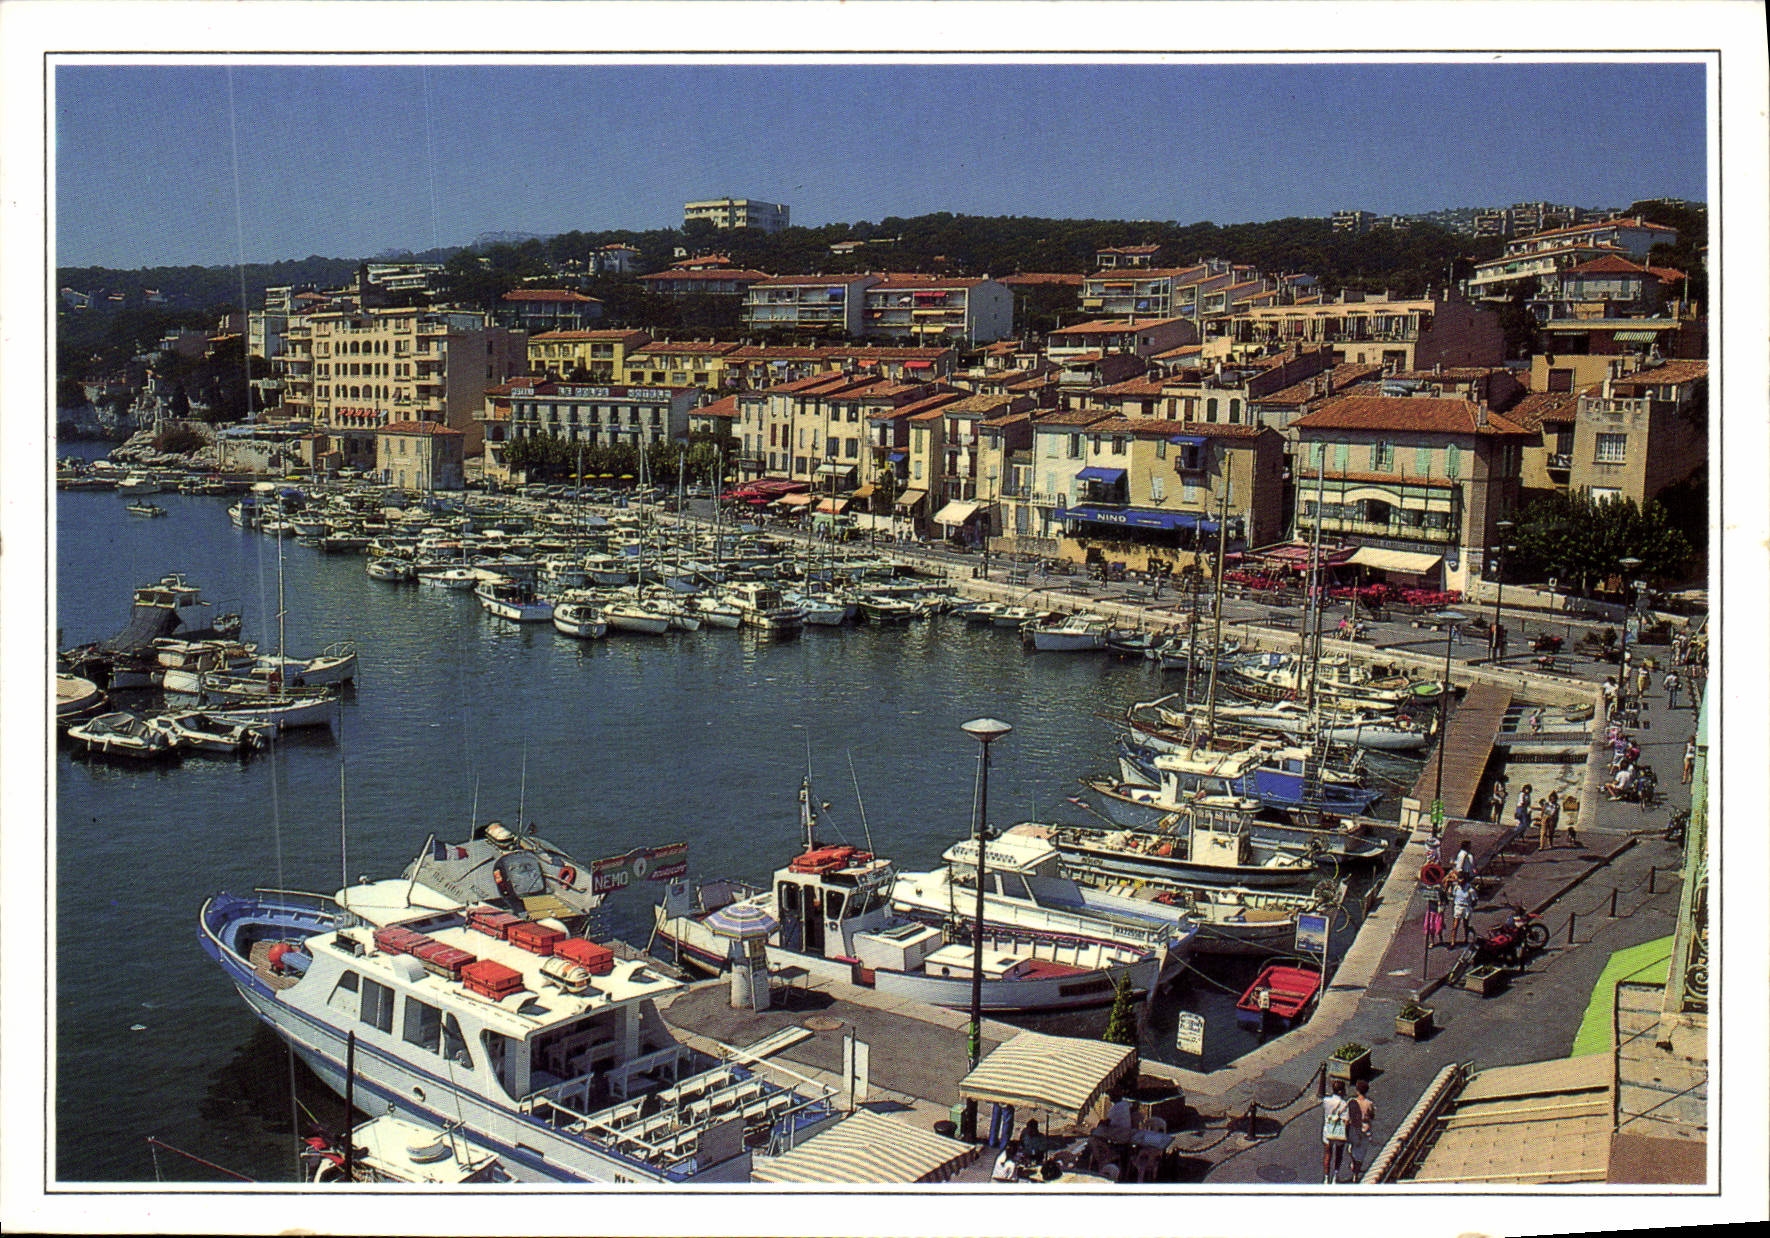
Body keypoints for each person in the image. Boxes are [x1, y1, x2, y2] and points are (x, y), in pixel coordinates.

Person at [1321, 1080, 1351, 1184]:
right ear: (1340, 1091)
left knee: (1327, 1154)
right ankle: (1335, 1176)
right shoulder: (1344, 1104)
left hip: (1328, 1130)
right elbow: (1346, 1121)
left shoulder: (1326, 1101)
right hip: (1339, 1132)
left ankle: (1326, 1178)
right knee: (1338, 1154)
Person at [1347, 1079, 1377, 1181]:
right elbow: (1372, 1116)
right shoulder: (1369, 1103)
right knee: (1361, 1153)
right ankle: (1356, 1173)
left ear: (1357, 1091)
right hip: (1364, 1130)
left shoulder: (1352, 1101)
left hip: (1354, 1129)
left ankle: (1354, 1164)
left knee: (1352, 1149)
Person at [1450, 872, 1477, 946]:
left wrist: (1471, 907)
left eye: (1461, 879)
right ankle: (1453, 942)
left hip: (1466, 907)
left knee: (1465, 925)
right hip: (1458, 907)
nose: (1460, 881)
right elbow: (1453, 895)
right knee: (1455, 926)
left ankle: (1466, 939)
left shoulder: (1470, 889)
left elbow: (1474, 899)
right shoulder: (1456, 888)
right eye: (1459, 879)